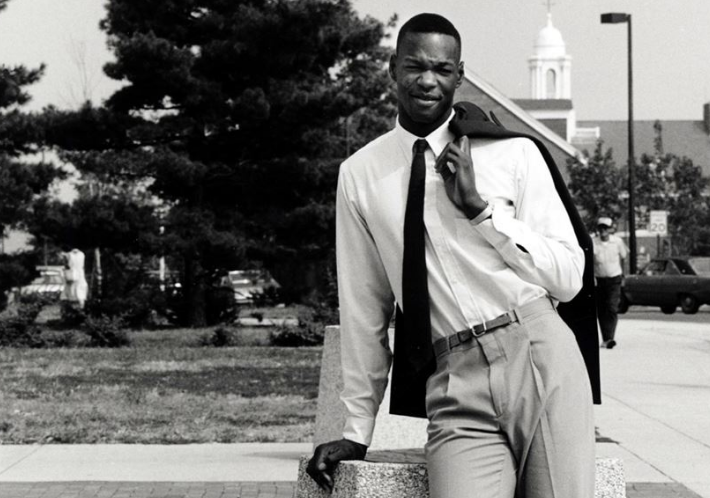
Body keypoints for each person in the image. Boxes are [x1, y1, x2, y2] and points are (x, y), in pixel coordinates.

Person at [307, 13, 595, 498]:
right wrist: (357, 430)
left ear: (459, 75)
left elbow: (568, 277)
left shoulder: (512, 153)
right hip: (453, 379)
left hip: (539, 355)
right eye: (415, 66)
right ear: (393, 68)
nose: (428, 81)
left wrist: (482, 212)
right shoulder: (360, 174)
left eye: (442, 69)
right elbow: (363, 307)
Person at [593, 217, 628, 349]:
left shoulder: (617, 242)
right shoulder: (593, 242)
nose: (603, 230)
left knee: (612, 308)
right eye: (601, 228)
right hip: (599, 280)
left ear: (610, 229)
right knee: (601, 310)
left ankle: (610, 337)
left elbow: (623, 257)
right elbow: (590, 261)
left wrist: (623, 275)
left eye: (606, 228)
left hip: (614, 279)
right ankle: (606, 338)